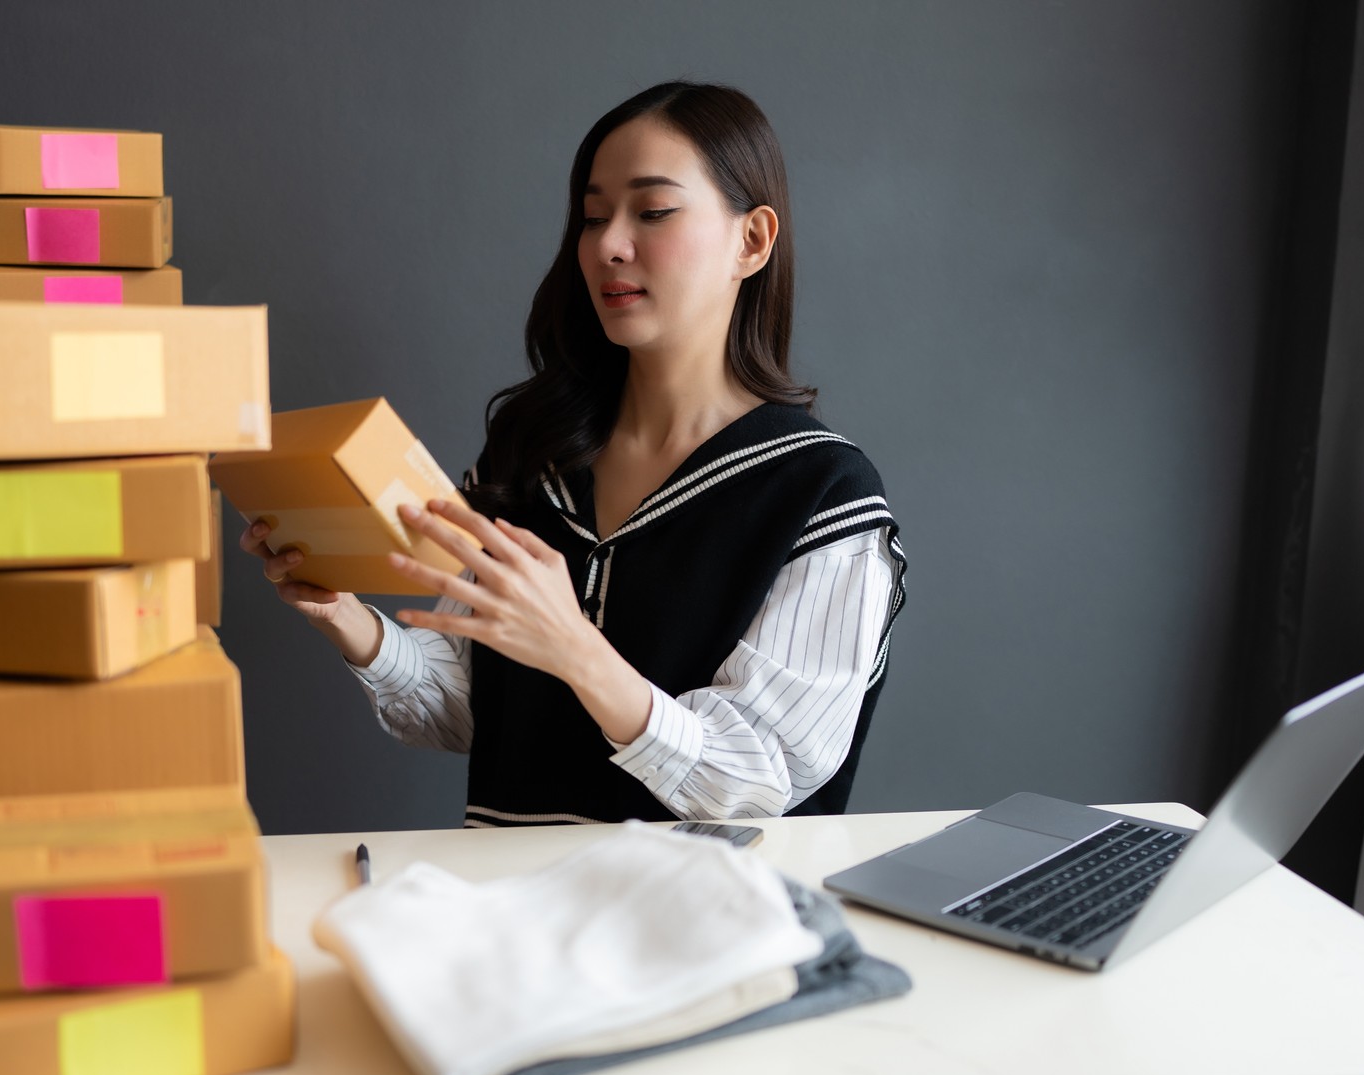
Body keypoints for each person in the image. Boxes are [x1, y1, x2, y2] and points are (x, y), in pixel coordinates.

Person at [239, 81, 906, 827]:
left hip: (701, 932)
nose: (609, 245)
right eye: (593, 217)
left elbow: (753, 784)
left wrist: (574, 648)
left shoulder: (822, 493)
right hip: (516, 919)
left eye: (652, 212)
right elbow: (468, 711)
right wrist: (342, 615)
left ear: (751, 241)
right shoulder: (531, 453)